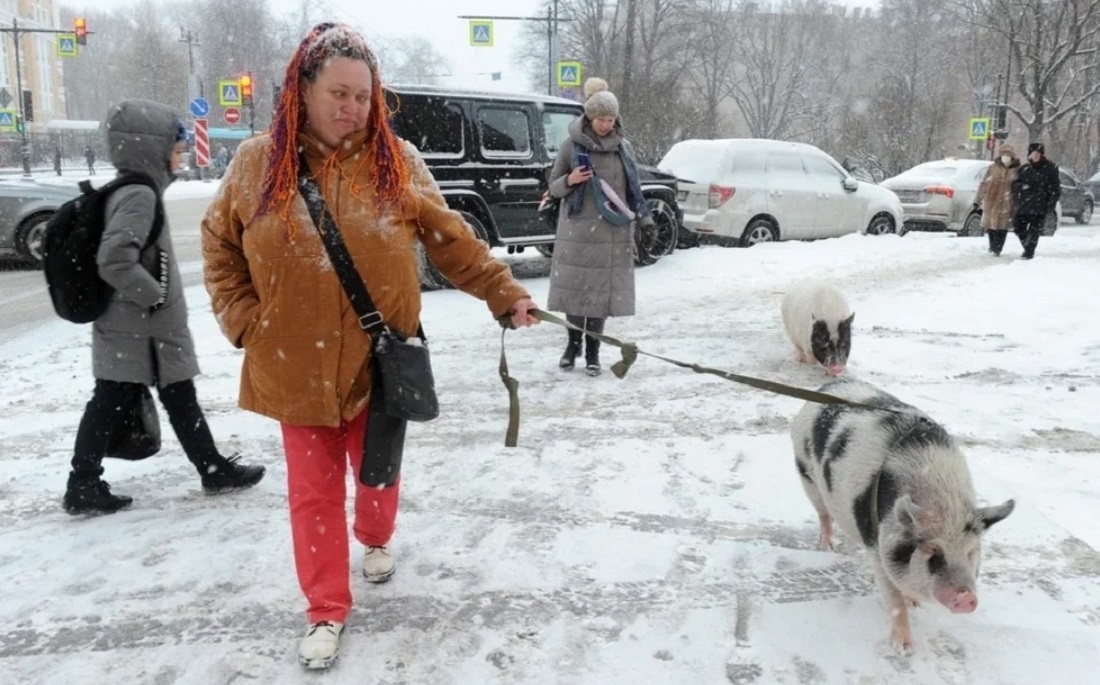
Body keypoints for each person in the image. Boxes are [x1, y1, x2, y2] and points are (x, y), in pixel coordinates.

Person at [200, 23, 540, 670]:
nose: (352, 107)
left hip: (382, 361)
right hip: (293, 363)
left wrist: (503, 292)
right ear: (303, 90)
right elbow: (219, 243)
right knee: (312, 492)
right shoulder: (256, 164)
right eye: (339, 92)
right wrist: (244, 317)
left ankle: (376, 534)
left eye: (363, 94)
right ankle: (326, 607)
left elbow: (452, 240)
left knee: (377, 476)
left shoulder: (397, 161)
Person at [63, 99, 266, 516]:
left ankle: (209, 468)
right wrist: (153, 294)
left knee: (171, 397)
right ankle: (83, 483)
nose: (180, 158)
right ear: (151, 150)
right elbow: (115, 258)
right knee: (117, 401)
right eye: (175, 150)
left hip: (137, 328)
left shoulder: (133, 189)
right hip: (141, 328)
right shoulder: (138, 194)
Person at [546, 77, 654, 376]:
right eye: (600, 119)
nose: (606, 125)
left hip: (612, 232)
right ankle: (572, 344)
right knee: (575, 293)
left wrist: (645, 221)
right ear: (589, 118)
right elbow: (552, 187)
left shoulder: (623, 149)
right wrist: (570, 180)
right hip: (577, 232)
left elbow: (634, 190)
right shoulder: (570, 146)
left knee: (599, 297)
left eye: (610, 119)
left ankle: (593, 352)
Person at [1011, 142, 1060, 260]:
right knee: (1018, 226)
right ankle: (1027, 246)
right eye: (1033, 153)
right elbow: (1015, 184)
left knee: (1034, 230)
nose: (1035, 156)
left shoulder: (1050, 168)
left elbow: (1055, 188)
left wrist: (1050, 204)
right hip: (1024, 204)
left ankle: (1029, 252)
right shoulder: (1025, 168)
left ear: (1042, 155)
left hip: (1040, 205)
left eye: (1038, 153)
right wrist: (1020, 189)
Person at [973, 144, 1020, 256]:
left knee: (1002, 227)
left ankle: (998, 248)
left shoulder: (1017, 170)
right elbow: (984, 184)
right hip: (992, 201)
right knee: (991, 225)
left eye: (1008, 154)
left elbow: (1020, 186)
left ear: (1012, 156)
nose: (1005, 156)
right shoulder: (993, 168)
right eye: (1003, 154)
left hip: (1007, 202)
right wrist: (977, 200)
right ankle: (992, 245)